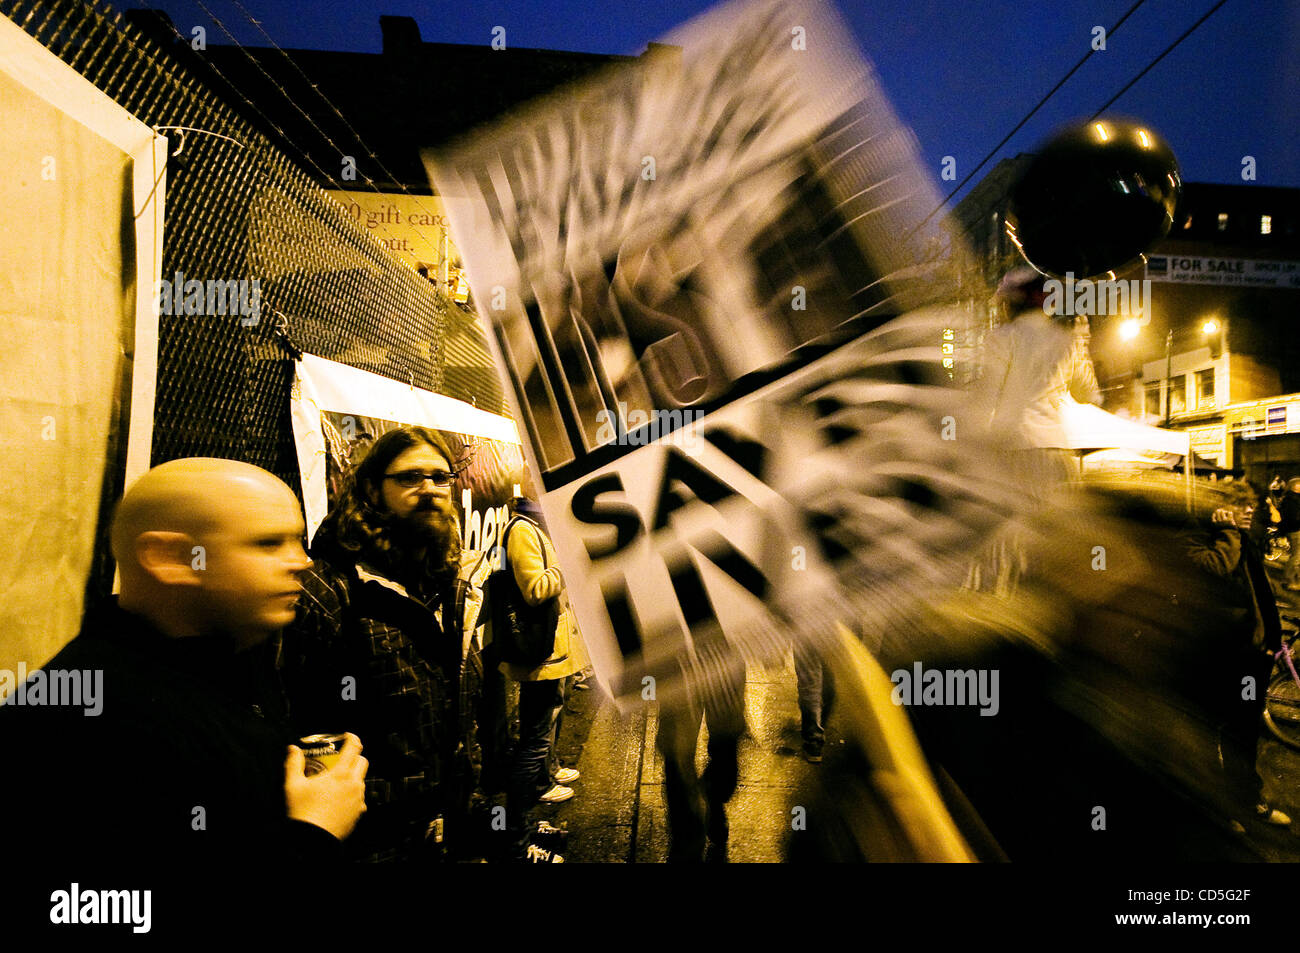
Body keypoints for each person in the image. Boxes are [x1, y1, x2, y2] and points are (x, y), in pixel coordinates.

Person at [0, 458, 369, 871]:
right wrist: (313, 833)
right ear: (171, 556)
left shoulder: (229, 658)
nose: (303, 561)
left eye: (298, 540)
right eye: (267, 543)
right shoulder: (85, 721)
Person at [283, 426, 487, 862]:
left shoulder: (447, 578)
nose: (429, 489)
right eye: (410, 477)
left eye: (440, 477)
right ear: (373, 489)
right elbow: (296, 718)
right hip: (371, 838)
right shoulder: (329, 588)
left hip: (446, 822)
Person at [1185, 481, 1290, 828]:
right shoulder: (1198, 536)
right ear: (1220, 508)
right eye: (1240, 505)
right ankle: (1218, 806)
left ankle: (1246, 800)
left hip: (1254, 653)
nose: (1249, 512)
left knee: (1246, 732)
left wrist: (1273, 643)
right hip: (1221, 654)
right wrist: (1227, 533)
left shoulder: (1247, 540)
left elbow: (1261, 595)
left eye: (1251, 506)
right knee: (1212, 732)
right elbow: (1215, 569)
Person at [495, 494, 588, 862]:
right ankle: (517, 844)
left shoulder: (539, 525)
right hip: (540, 656)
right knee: (533, 743)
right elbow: (534, 590)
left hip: (553, 653)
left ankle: (529, 826)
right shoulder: (522, 530)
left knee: (540, 735)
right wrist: (568, 564)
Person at [1278, 477, 1300, 592]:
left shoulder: (1294, 498)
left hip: (1295, 529)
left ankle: (1294, 580)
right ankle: (1288, 580)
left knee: (1297, 557)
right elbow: (1292, 517)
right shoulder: (1291, 500)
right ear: (1294, 487)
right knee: (1296, 556)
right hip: (1295, 530)